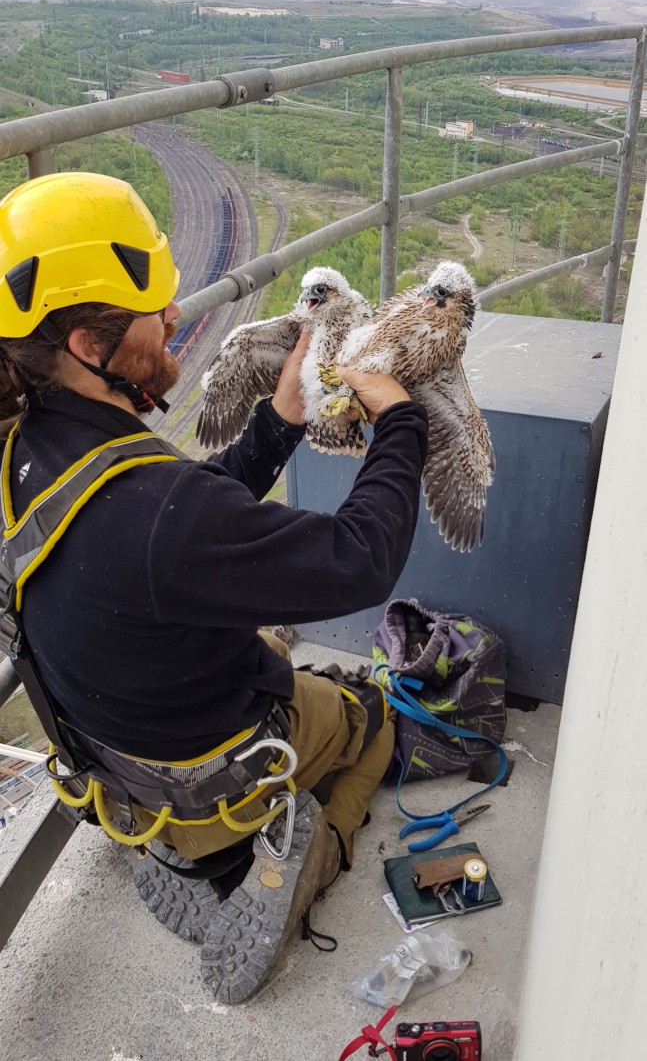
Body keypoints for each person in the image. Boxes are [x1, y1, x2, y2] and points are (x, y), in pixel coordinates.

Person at [0, 172, 428, 1004]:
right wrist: (400, 421)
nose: (174, 318)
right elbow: (358, 560)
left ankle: (184, 854)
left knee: (265, 642)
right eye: (155, 309)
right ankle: (292, 863)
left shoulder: (26, 453)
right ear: (91, 344)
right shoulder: (161, 514)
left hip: (108, 761)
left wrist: (278, 423)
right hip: (209, 776)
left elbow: (175, 537)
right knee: (366, 718)